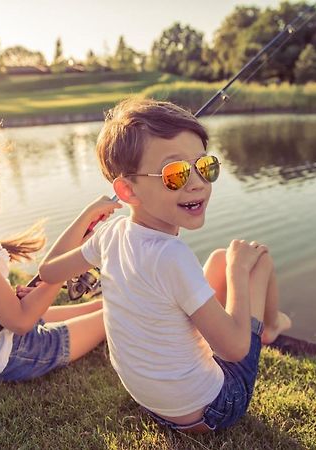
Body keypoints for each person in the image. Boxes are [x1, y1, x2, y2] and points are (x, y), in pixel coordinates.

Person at [39, 98, 291, 432]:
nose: (198, 182)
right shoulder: (171, 256)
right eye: (176, 174)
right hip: (210, 410)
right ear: (128, 190)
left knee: (216, 258)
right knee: (256, 260)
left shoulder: (110, 233)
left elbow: (48, 272)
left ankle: (266, 323)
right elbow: (233, 350)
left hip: (151, 401)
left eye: (204, 166)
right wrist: (237, 272)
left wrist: (86, 217)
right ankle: (270, 326)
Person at [0, 121, 113, 385]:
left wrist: (85, 218)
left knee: (105, 304)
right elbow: (22, 320)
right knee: (116, 315)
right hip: (9, 355)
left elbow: (33, 288)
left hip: (0, 332)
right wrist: (62, 272)